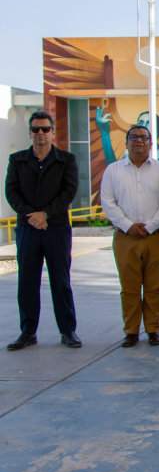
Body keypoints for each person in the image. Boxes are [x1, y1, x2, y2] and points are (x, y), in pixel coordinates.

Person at [5, 111, 81, 351]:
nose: (40, 133)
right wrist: (33, 216)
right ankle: (28, 332)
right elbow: (11, 192)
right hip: (28, 228)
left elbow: (69, 191)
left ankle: (68, 331)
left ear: (52, 132)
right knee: (27, 281)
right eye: (35, 129)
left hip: (56, 228)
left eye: (45, 129)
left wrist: (45, 214)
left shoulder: (66, 160)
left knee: (60, 281)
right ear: (30, 133)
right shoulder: (17, 160)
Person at [100, 125, 159, 347]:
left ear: (151, 144)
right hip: (125, 238)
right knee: (129, 288)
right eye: (133, 137)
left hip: (155, 237)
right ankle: (131, 331)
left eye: (144, 137)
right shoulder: (113, 171)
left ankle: (153, 329)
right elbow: (108, 202)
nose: (139, 141)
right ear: (126, 143)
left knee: (154, 286)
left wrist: (150, 226)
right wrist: (128, 226)